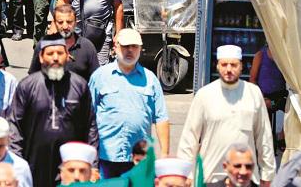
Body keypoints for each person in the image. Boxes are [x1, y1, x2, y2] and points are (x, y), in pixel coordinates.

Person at [177, 45, 275, 186]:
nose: (228, 69)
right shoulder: (205, 95)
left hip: (245, 177)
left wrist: (267, 174)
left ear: (241, 66)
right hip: (210, 177)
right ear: (217, 66)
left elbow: (264, 137)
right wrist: (186, 173)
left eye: (233, 65)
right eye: (224, 64)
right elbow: (189, 137)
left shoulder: (253, 94)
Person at [9, 36, 98, 187]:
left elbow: (91, 127)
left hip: (72, 167)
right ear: (41, 57)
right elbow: (14, 126)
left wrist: (93, 165)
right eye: (50, 54)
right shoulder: (27, 86)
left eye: (60, 53)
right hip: (34, 164)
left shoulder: (80, 85)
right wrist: (17, 163)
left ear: (67, 56)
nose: (55, 58)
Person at [88, 28, 169, 178]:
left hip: (140, 159)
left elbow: (161, 118)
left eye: (134, 46)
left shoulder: (150, 80)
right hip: (106, 158)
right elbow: (88, 117)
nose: (130, 51)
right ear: (115, 47)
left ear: (140, 49)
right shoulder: (100, 76)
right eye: (125, 46)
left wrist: (164, 154)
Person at [28, 6, 99, 82]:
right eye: (60, 22)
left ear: (75, 22)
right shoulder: (43, 45)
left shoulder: (87, 47)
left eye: (69, 22)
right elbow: (33, 78)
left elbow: (95, 80)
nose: (65, 27)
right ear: (55, 23)